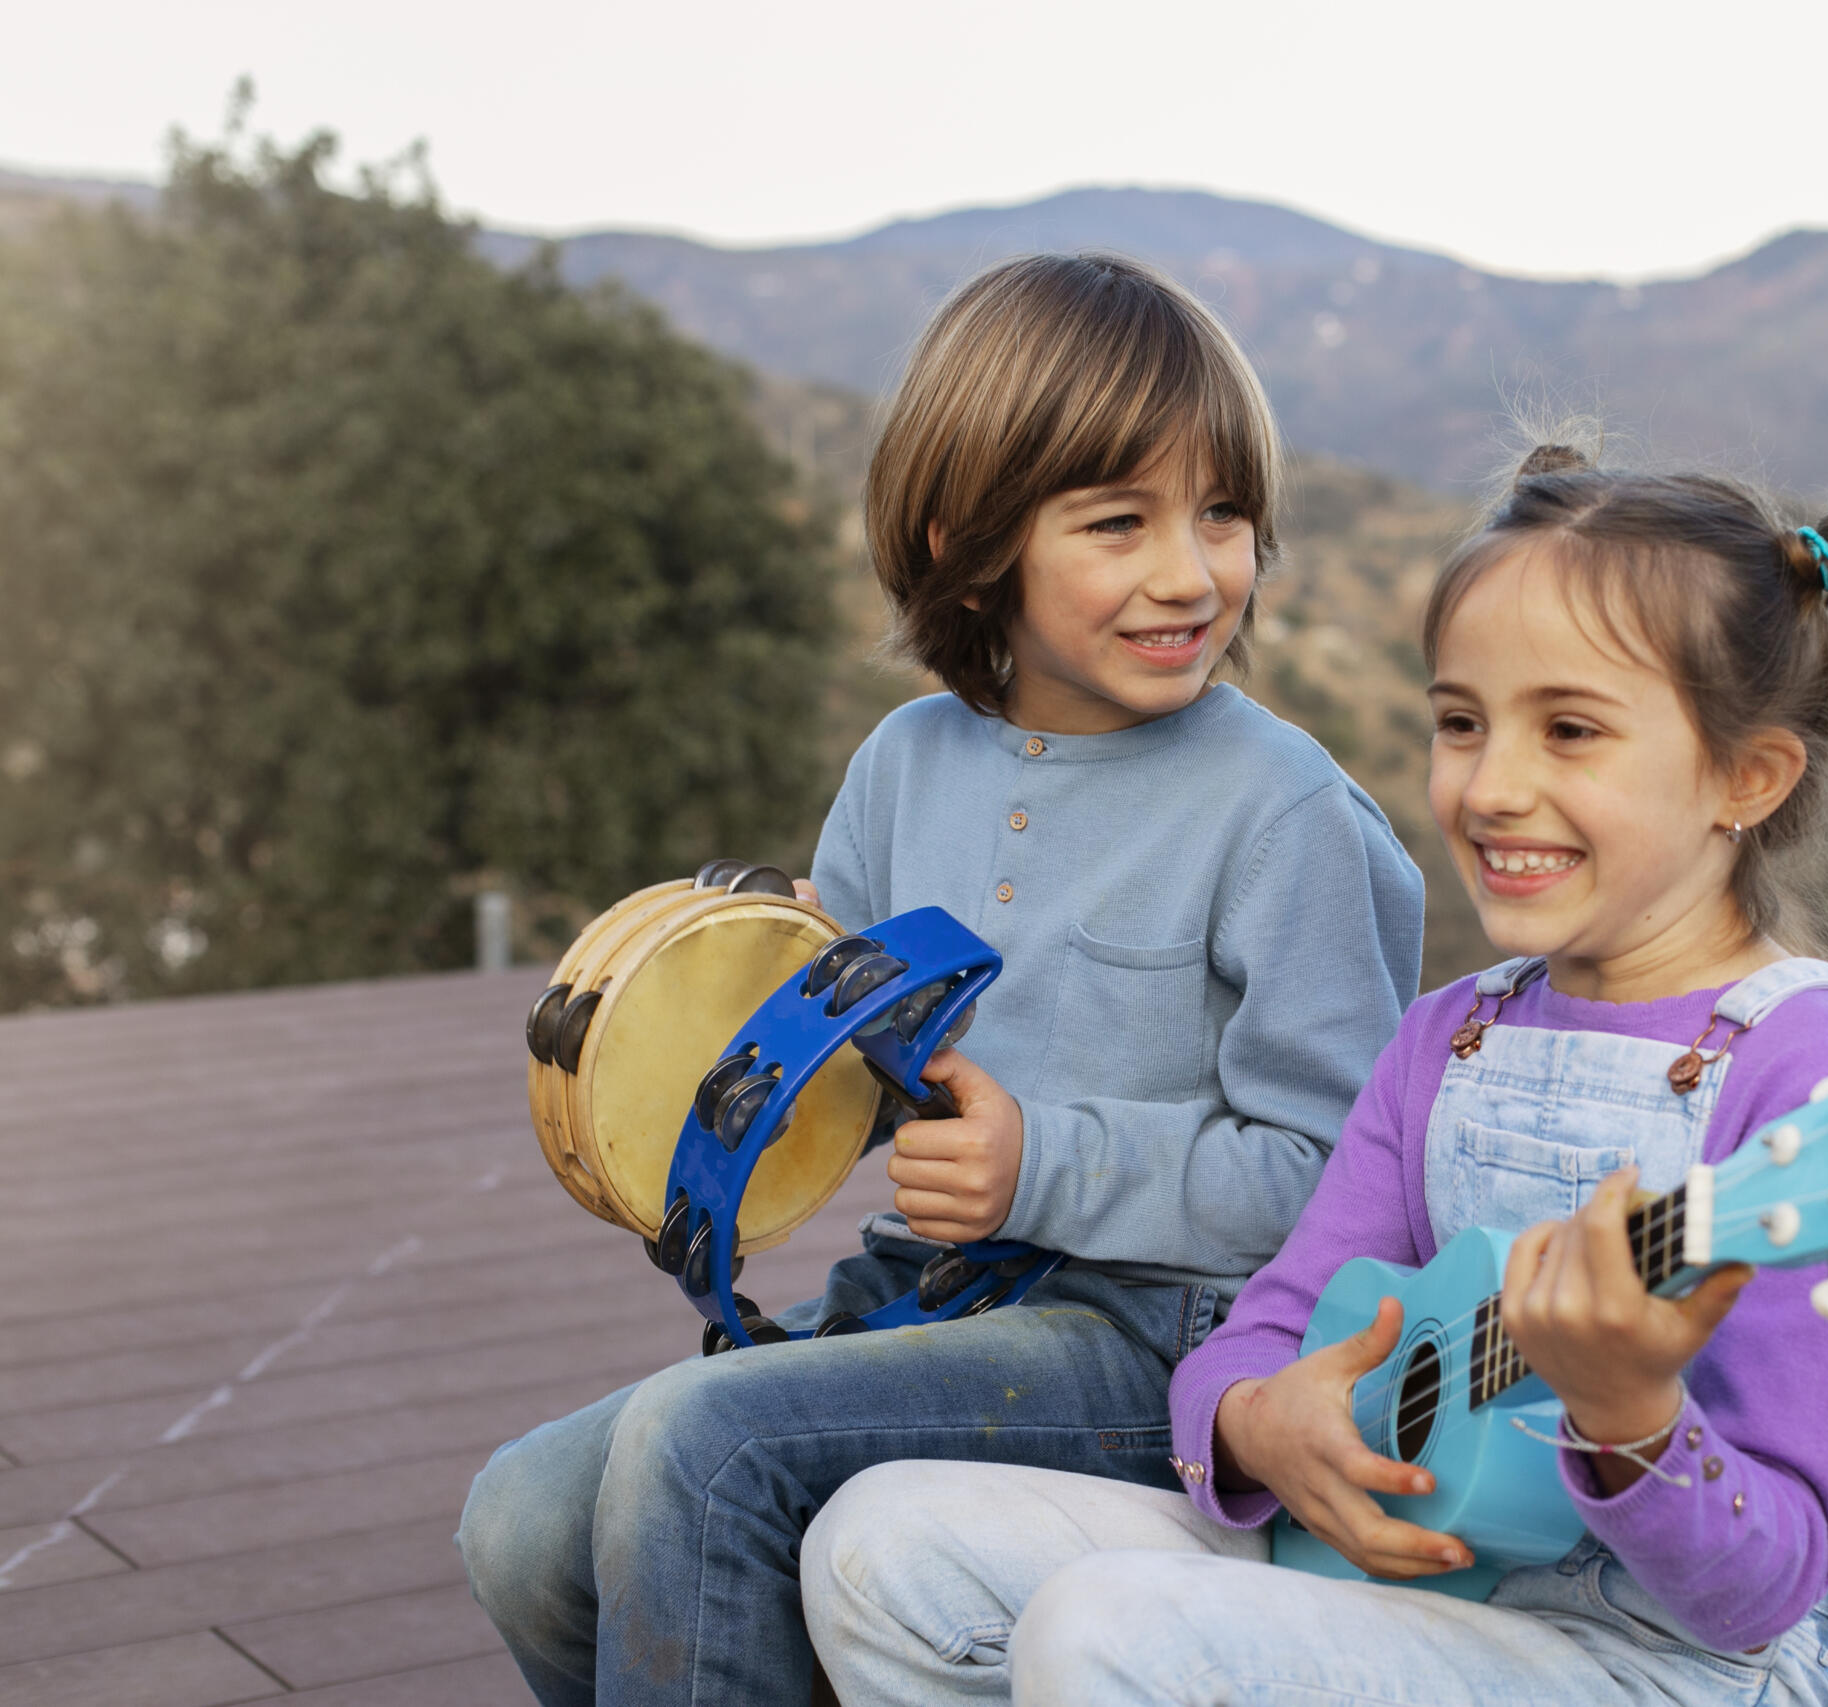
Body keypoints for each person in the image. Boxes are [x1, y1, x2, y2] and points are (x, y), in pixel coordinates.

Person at [802, 443, 1828, 1705]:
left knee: (1106, 1625)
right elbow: (1266, 1323)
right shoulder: (1448, 1037)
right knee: (880, 1548)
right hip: (1407, 1574)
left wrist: (1629, 1407)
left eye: (1569, 730)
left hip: (1661, 1661)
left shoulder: (1805, 1059)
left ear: (1745, 777)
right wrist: (1260, 1421)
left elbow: (1763, 1591)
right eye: (1461, 722)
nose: (1492, 786)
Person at [457, 253, 1426, 1707]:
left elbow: (1344, 1181)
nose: (1192, 570)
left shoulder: (1282, 810)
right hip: (928, 1293)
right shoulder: (906, 763)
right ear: (966, 540)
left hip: (1163, 1336)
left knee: (704, 1448)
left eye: (1221, 512)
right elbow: (848, 1076)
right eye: (1120, 522)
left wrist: (1045, 1162)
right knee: (520, 1519)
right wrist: (757, 1018)